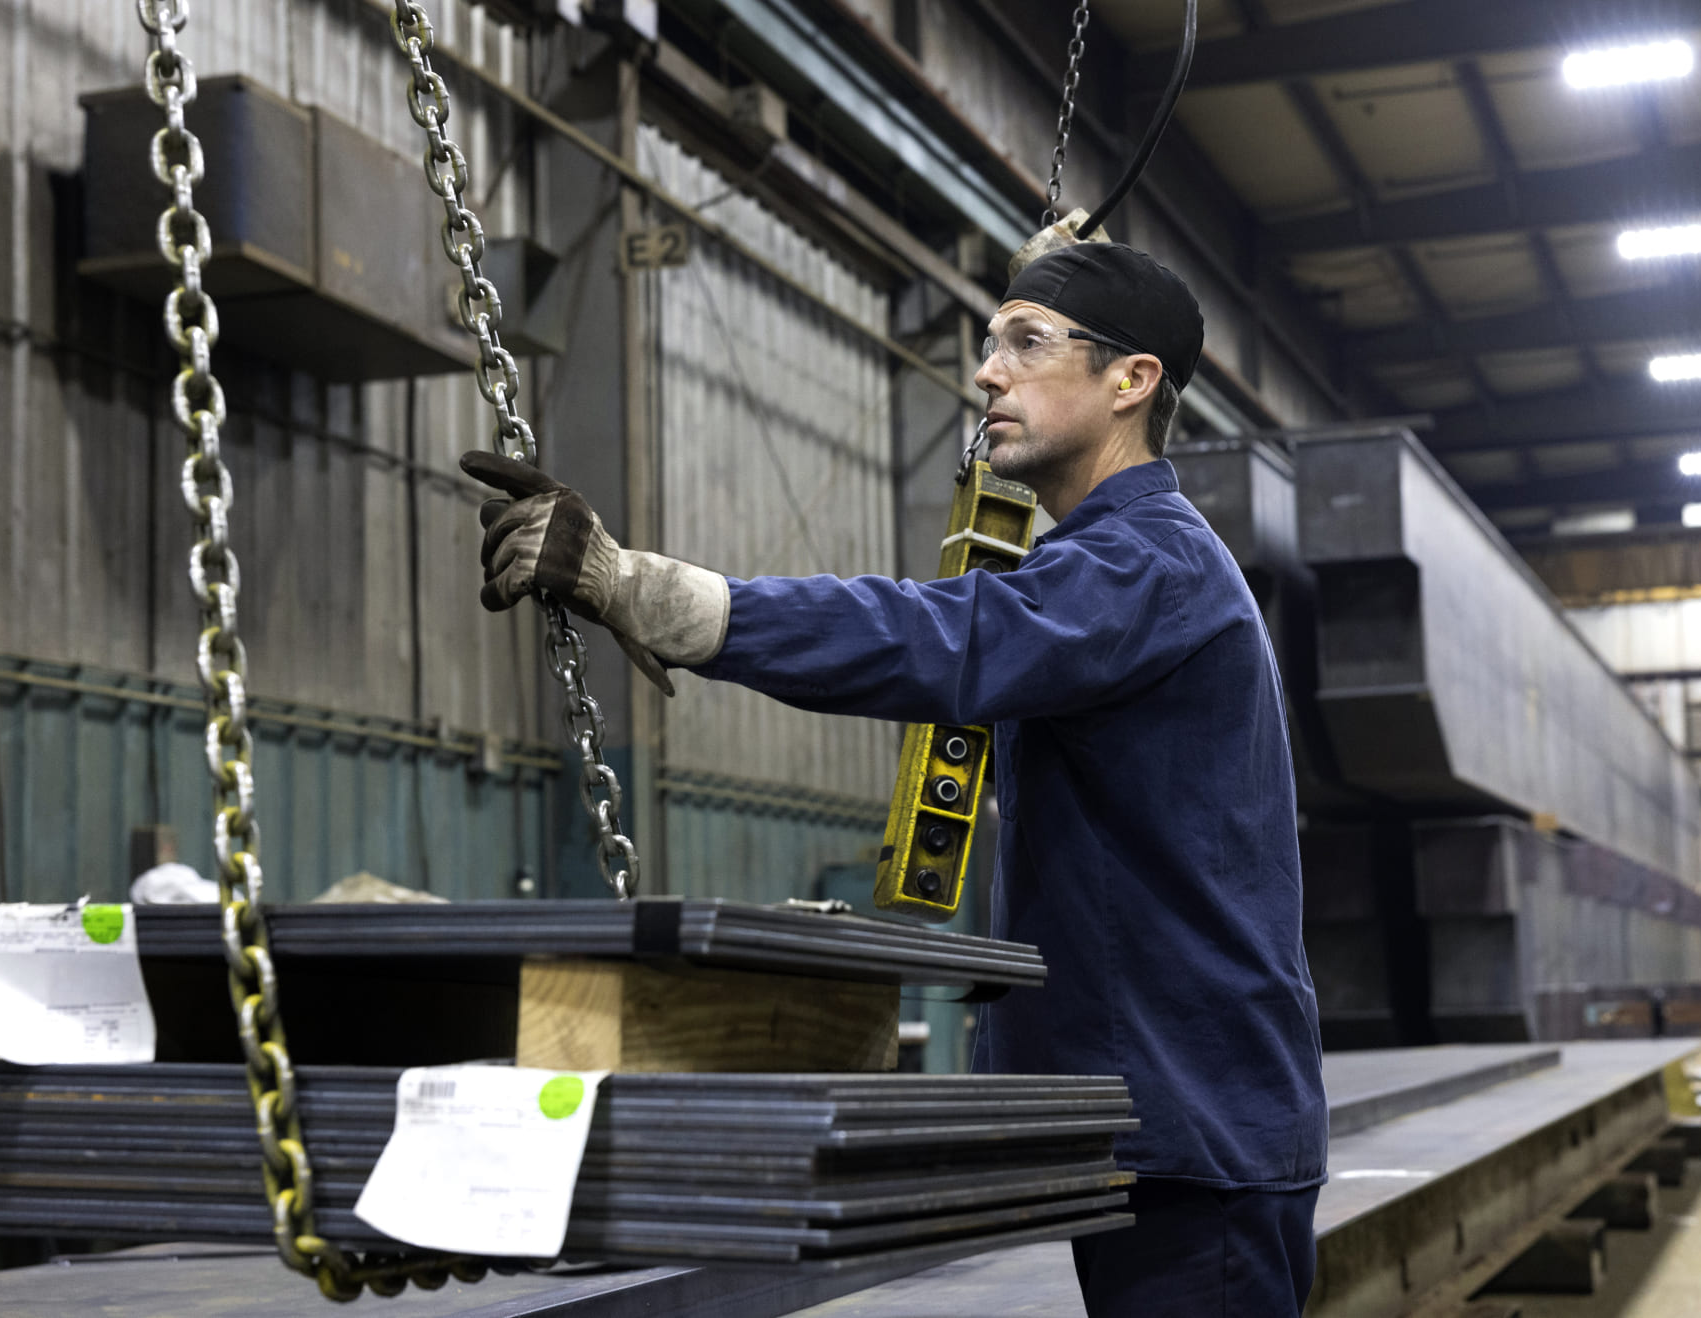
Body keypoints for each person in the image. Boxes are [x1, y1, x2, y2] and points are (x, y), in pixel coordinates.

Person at [463, 239, 1327, 1315]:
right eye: (987, 342)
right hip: (1166, 1121)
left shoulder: (1148, 564)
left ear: (1131, 380)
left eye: (1025, 343)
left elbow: (947, 640)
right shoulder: (1121, 563)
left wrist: (658, 595)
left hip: (1194, 1138)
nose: (985, 373)